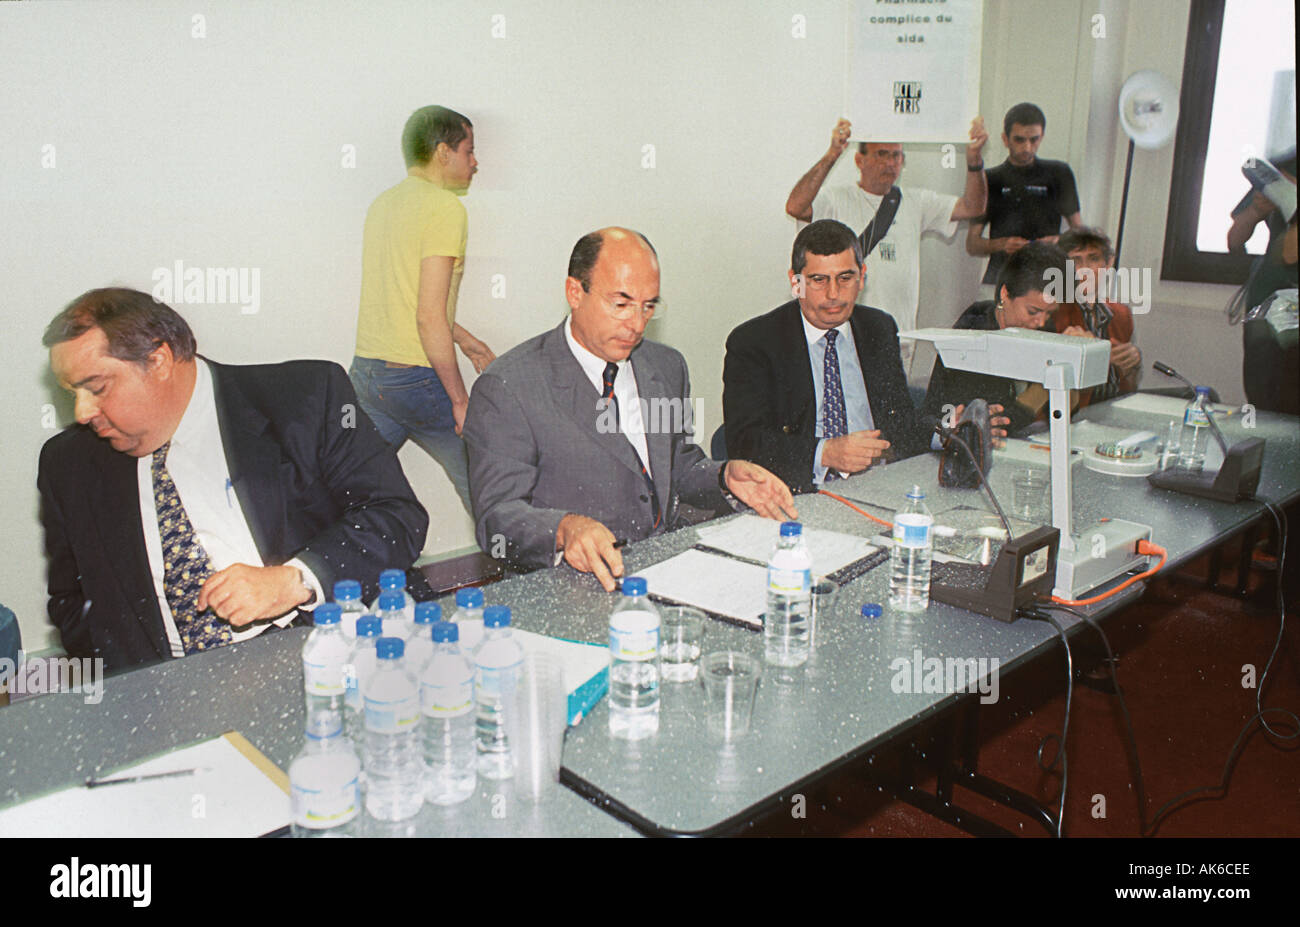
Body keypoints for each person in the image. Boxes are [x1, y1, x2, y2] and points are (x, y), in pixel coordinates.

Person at [38, 288, 429, 674]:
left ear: (158, 361)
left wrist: (295, 580)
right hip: (175, 695)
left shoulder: (305, 398)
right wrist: (145, 696)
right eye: (71, 392)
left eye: (97, 387)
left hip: (333, 657)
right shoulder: (68, 465)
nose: (83, 411)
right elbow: (73, 604)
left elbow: (395, 515)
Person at [462, 227, 797, 591]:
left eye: (648, 305)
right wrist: (564, 529)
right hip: (571, 586)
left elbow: (677, 469)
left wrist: (723, 477)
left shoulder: (667, 366)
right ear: (575, 292)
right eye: (620, 304)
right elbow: (497, 517)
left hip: (668, 570)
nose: (637, 324)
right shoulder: (510, 387)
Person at [350, 105, 495, 513]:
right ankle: (521, 572)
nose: (475, 162)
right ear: (443, 152)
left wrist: (466, 340)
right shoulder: (445, 208)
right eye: (469, 151)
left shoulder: (383, 204)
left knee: (356, 491)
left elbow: (409, 296)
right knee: (484, 482)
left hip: (368, 375)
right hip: (414, 379)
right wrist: (460, 400)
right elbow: (428, 315)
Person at [723, 220, 933, 494]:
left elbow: (899, 421)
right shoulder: (755, 342)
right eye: (819, 280)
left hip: (880, 485)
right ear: (796, 282)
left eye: (845, 278)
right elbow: (744, 442)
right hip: (801, 493)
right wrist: (825, 452)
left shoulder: (878, 329)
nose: (833, 295)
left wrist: (948, 430)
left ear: (862, 277)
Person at [785, 117, 989, 373]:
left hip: (899, 336)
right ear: (860, 161)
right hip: (845, 333)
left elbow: (973, 207)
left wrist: (974, 160)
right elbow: (796, 206)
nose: (890, 163)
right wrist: (832, 153)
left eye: (896, 156)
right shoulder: (837, 198)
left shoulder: (916, 201)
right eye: (882, 154)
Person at [923, 242, 1071, 435]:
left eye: (1050, 313)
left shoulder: (1038, 326)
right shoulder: (974, 332)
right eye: (1032, 311)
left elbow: (1064, 410)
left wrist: (1071, 357)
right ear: (1005, 293)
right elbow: (994, 421)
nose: (1041, 322)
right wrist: (1045, 388)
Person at [967, 103, 1083, 286]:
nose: (1027, 147)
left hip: (1050, 279)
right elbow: (972, 244)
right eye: (1019, 140)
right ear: (1005, 139)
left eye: (1034, 140)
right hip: (1002, 279)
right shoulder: (989, 179)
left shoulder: (1059, 173)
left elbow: (1079, 232)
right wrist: (1002, 244)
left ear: (1042, 137)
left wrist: (1057, 241)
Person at [1227, 151, 1298, 414]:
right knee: (1264, 400)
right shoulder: (1283, 166)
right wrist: (1257, 209)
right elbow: (1235, 240)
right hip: (1268, 306)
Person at [1050, 227, 1141, 405]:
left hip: (1114, 408)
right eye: (1076, 260)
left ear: (1108, 264)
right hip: (1072, 412)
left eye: (1093, 259)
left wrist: (1132, 366)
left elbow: (1128, 387)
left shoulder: (1122, 314)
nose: (1085, 270)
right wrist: (1100, 358)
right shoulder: (1052, 311)